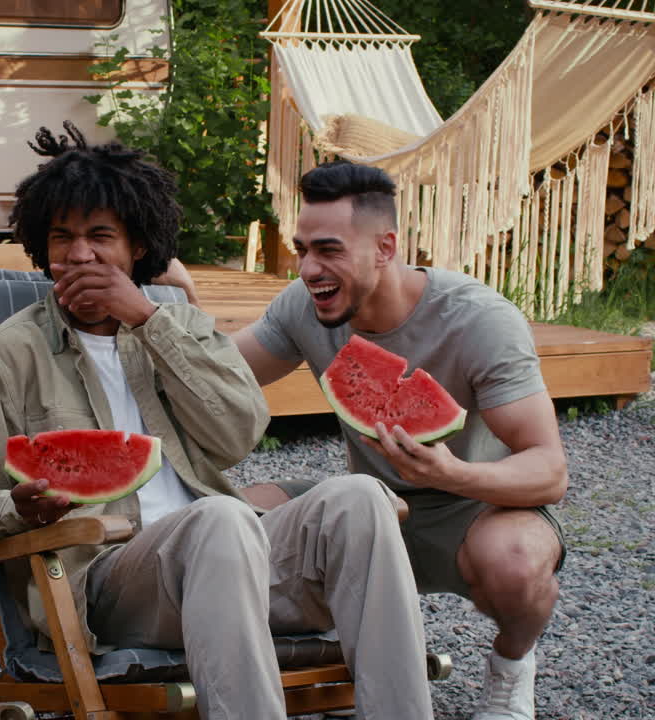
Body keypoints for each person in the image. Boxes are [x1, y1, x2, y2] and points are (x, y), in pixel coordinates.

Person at [0, 123, 434, 719]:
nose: (80, 255)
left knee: (359, 498)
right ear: (42, 245)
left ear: (137, 247)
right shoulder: (4, 358)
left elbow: (239, 433)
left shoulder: (180, 328)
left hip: (235, 563)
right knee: (220, 516)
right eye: (62, 238)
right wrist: (16, 509)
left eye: (100, 237)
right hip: (108, 586)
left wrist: (149, 321)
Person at [231, 161, 568, 720]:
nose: (309, 268)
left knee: (514, 563)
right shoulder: (304, 305)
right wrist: (148, 317)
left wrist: (451, 473)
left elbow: (549, 470)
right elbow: (220, 373)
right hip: (369, 503)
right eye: (302, 249)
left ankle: (511, 668)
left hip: (475, 505)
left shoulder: (478, 320)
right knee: (228, 517)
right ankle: (317, 651)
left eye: (329, 250)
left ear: (385, 248)